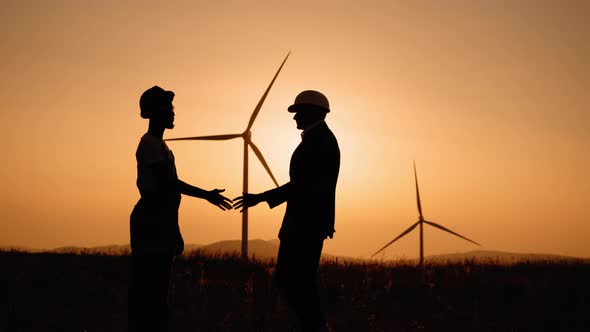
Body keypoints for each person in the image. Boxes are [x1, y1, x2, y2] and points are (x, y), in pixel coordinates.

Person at [233, 90, 340, 331]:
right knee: (298, 282)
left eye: (298, 112)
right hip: (305, 223)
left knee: (294, 282)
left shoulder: (319, 142)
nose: (294, 118)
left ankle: (314, 327)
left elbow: (302, 186)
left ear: (314, 112)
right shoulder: (318, 139)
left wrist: (261, 197)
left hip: (305, 224)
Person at [129, 86, 232, 332]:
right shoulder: (150, 145)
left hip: (161, 220)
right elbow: (170, 184)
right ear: (154, 112)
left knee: (158, 288)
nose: (173, 112)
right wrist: (206, 195)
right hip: (151, 221)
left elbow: (169, 193)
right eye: (168, 107)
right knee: (151, 290)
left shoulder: (162, 146)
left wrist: (174, 229)